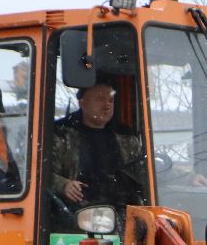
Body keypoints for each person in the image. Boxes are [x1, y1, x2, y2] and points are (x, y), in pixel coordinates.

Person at [48, 82, 148, 216]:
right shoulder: (61, 135)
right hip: (76, 217)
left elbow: (144, 174)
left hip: (125, 214)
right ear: (82, 103)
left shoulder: (127, 138)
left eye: (111, 101)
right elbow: (40, 174)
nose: (107, 106)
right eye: (100, 100)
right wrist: (64, 185)